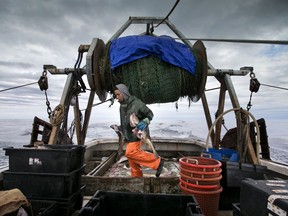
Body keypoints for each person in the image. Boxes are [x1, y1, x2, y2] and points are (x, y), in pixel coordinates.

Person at [114, 83, 164, 177]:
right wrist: (120, 128)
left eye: (118, 94)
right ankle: (137, 178)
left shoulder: (136, 103)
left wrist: (145, 121)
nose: (116, 97)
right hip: (128, 135)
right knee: (133, 161)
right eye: (115, 95)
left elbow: (150, 113)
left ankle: (157, 161)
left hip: (138, 134)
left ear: (124, 93)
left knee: (130, 153)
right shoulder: (122, 106)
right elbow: (125, 121)